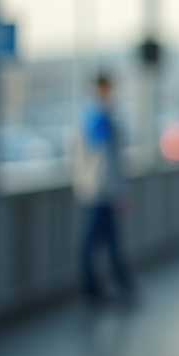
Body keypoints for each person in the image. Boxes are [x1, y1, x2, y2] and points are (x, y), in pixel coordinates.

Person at [72, 72, 133, 304]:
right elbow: (104, 160)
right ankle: (94, 288)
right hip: (98, 190)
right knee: (94, 242)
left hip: (102, 190)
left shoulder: (97, 116)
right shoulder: (96, 118)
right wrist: (119, 189)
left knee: (110, 240)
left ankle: (117, 283)